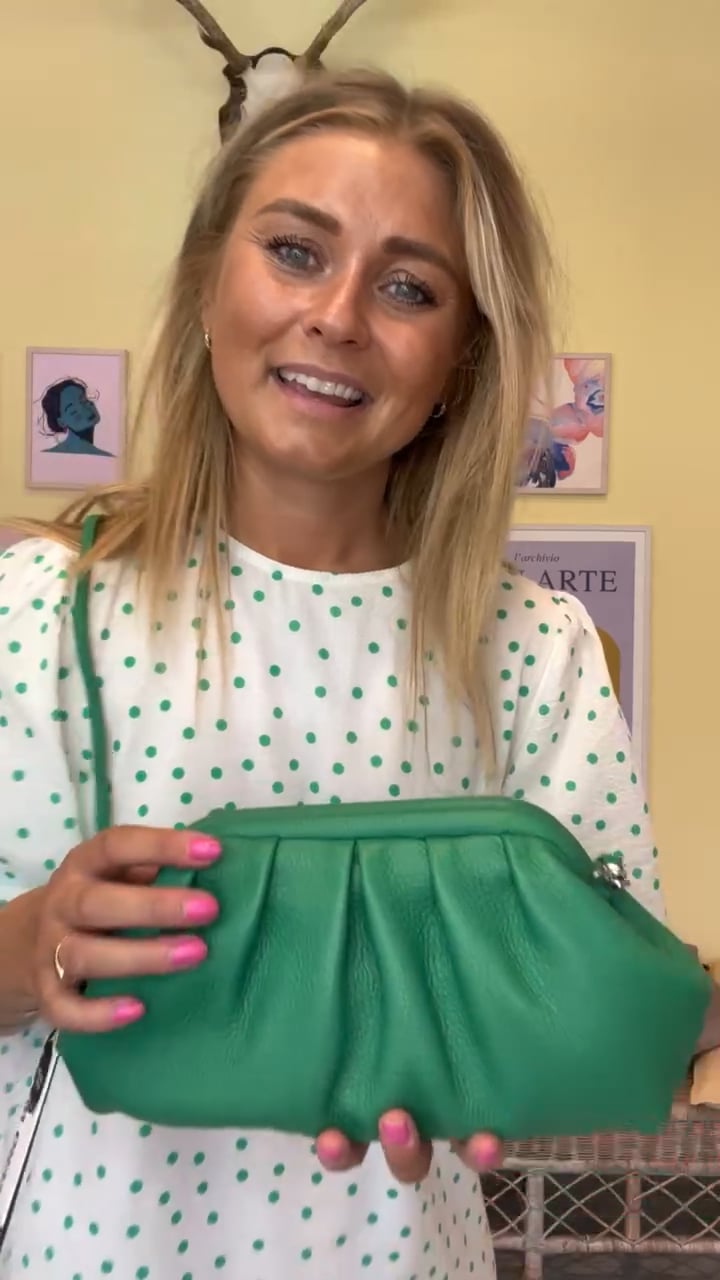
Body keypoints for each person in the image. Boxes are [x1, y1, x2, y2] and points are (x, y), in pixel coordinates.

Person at [0, 67, 712, 1280]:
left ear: (461, 360)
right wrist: (33, 949)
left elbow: (613, 998)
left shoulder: (533, 648)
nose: (337, 316)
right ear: (207, 281)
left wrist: (517, 1054)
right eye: (295, 250)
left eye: (408, 286)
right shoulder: (38, 611)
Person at [38, 378, 113, 456]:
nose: (84, 409)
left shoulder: (108, 458)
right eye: (73, 411)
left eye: (84, 400)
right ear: (61, 422)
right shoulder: (48, 456)